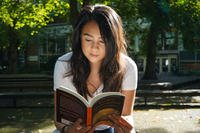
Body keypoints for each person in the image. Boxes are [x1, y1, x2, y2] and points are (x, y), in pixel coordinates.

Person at [53, 4, 138, 133]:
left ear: (113, 42)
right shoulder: (64, 64)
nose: (94, 47)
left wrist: (125, 129)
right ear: (79, 38)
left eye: (102, 41)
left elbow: (127, 115)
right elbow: (59, 119)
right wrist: (67, 130)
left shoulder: (128, 67)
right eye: (88, 39)